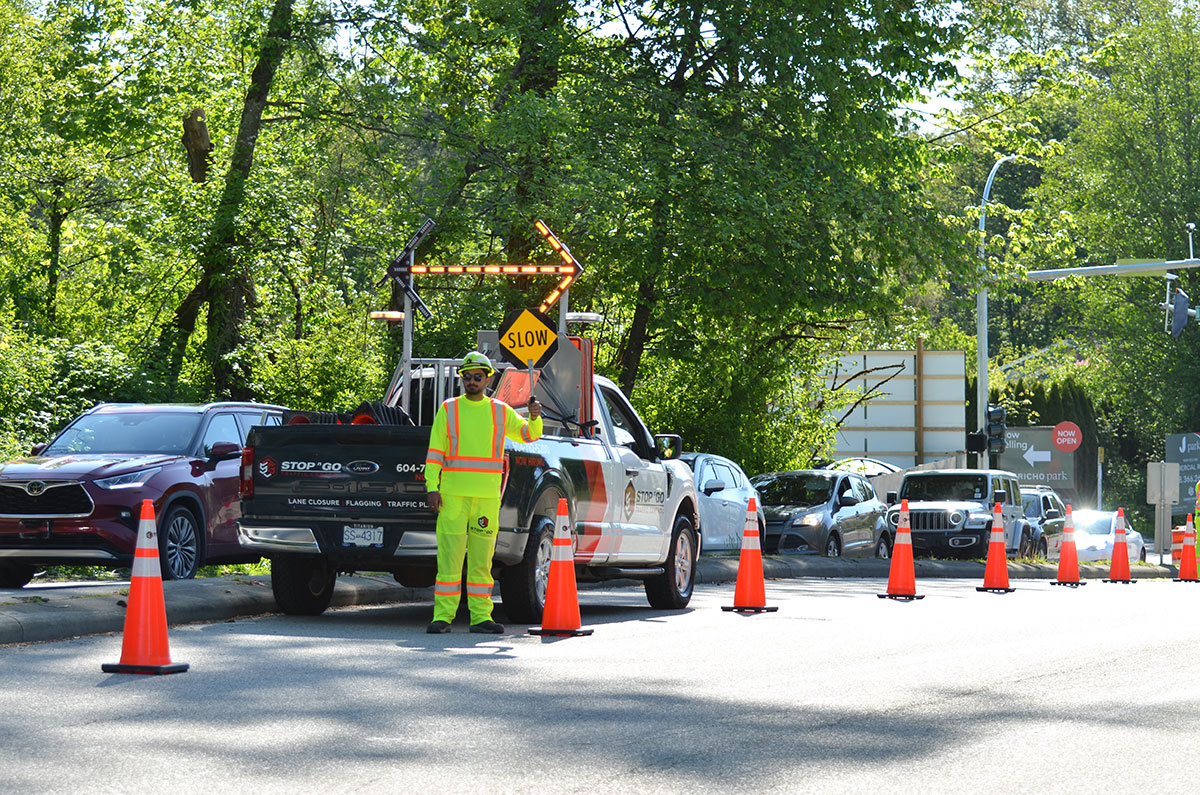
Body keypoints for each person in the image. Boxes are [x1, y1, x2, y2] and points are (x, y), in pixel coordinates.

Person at [423, 351, 542, 634]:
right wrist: (431, 487)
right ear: (462, 379)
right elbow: (435, 453)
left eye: (478, 376)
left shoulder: (500, 411)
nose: (472, 381)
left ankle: (480, 618)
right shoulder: (449, 409)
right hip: (452, 497)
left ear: (488, 379)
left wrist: (535, 417)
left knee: (481, 561)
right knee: (449, 560)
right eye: (467, 376)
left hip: (486, 498)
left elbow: (529, 435)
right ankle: (443, 616)